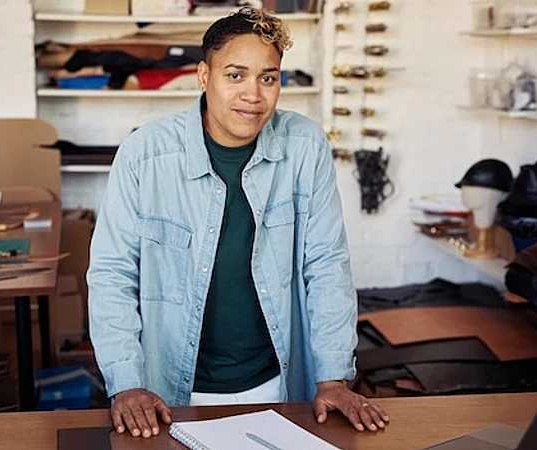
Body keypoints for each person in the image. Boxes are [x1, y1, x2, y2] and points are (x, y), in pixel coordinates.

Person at [87, 7, 388, 439]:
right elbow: (112, 274)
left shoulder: (305, 148)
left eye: (268, 78)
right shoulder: (144, 155)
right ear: (203, 76)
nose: (254, 94)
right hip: (169, 394)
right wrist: (126, 381)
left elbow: (326, 265)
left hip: (278, 386)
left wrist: (333, 377)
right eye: (236, 76)